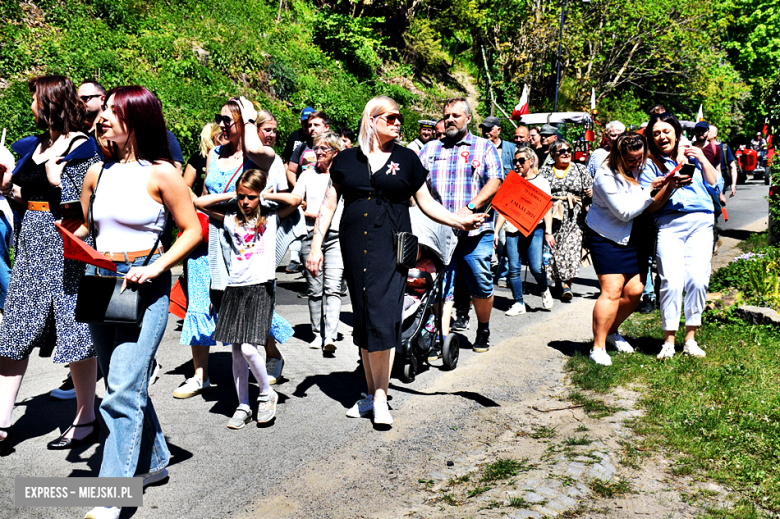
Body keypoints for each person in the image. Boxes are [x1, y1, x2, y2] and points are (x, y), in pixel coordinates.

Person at [306, 96, 484, 426]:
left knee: (385, 318)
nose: (398, 122)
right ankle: (370, 395)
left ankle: (380, 397)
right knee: (364, 318)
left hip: (393, 249)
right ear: (371, 120)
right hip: (354, 247)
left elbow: (426, 203)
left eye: (399, 118)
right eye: (390, 117)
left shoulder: (407, 159)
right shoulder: (346, 160)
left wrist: (458, 222)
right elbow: (329, 206)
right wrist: (316, 246)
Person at [77, 85, 201, 519]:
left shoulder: (162, 173)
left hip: (144, 286)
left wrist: (156, 266)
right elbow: (90, 229)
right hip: (99, 281)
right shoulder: (98, 173)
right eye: (104, 110)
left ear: (137, 119)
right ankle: (155, 460)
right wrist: (70, 241)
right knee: (118, 386)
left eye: (114, 111)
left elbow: (191, 230)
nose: (103, 117)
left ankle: (114, 493)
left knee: (124, 389)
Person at [0, 75, 101, 456]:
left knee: (74, 333)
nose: (30, 107)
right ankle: (2, 422)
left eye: (34, 100)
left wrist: (61, 185)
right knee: (14, 331)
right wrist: (9, 183)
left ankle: (86, 416)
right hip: (31, 244)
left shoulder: (81, 146)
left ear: (50, 102)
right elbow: (28, 193)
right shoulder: (36, 145)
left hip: (65, 245)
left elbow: (87, 206)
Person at [173, 97, 276, 399]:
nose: (221, 125)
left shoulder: (259, 156)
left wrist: (249, 120)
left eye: (228, 120)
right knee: (199, 301)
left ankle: (269, 351)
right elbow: (204, 191)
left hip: (241, 238)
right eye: (219, 118)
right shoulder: (214, 154)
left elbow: (255, 153)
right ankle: (200, 375)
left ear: (244, 123)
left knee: (242, 302)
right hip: (208, 234)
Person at [201, 168, 297, 430]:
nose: (245, 202)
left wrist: (266, 195)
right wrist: (232, 193)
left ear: (260, 196)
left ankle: (266, 392)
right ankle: (243, 404)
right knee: (236, 353)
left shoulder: (270, 218)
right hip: (234, 289)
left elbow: (296, 200)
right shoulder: (231, 219)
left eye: (250, 197)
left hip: (260, 288)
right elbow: (198, 202)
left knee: (247, 348)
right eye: (242, 197)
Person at [586, 133, 683, 366]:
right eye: (631, 159)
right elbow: (624, 212)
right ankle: (597, 347)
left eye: (640, 158)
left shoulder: (641, 166)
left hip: (634, 237)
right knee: (612, 289)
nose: (637, 163)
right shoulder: (605, 176)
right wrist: (649, 190)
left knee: (635, 291)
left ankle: (611, 331)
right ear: (618, 155)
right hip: (607, 235)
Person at [419, 97, 503, 353]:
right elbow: (417, 185)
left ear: (468, 119)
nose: (450, 120)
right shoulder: (431, 149)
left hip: (475, 231)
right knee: (438, 284)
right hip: (439, 232)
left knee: (480, 282)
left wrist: (469, 208)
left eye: (456, 115)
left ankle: (484, 328)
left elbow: (496, 181)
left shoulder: (483, 147)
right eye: (447, 116)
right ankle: (437, 334)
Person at [639, 112, 723, 360]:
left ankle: (690, 339)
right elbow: (652, 206)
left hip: (701, 221)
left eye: (666, 131)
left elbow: (715, 186)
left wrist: (703, 160)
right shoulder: (648, 165)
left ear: (676, 132)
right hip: (669, 224)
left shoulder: (692, 155)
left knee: (698, 280)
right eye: (656, 133)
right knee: (671, 282)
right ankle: (669, 341)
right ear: (651, 138)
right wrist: (670, 186)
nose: (662, 136)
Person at [293, 132, 344, 352]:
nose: (319, 152)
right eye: (317, 148)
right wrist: (306, 210)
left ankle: (330, 336)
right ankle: (316, 333)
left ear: (335, 152)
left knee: (333, 287)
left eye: (325, 148)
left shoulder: (342, 176)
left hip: (336, 237)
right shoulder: (307, 175)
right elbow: (295, 201)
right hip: (309, 236)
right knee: (315, 288)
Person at [494, 147, 554, 315]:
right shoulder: (512, 181)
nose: (518, 164)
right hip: (512, 229)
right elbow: (503, 209)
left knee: (536, 268)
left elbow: (547, 208)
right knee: (513, 267)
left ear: (531, 161)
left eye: (521, 161)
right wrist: (496, 231)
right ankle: (518, 303)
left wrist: (548, 232)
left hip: (534, 229)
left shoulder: (541, 182)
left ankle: (544, 289)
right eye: (515, 161)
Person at [540, 140, 593, 300]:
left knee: (571, 250)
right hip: (552, 217)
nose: (566, 153)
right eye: (561, 151)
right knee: (554, 250)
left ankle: (566, 285)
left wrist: (590, 194)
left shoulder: (580, 169)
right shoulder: (545, 172)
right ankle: (557, 283)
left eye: (568, 150)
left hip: (574, 217)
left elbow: (590, 190)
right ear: (553, 155)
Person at [286, 110, 330, 187]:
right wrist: (297, 187)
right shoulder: (301, 147)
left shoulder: (334, 148)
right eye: (310, 125)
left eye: (316, 125)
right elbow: (291, 170)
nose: (312, 128)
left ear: (326, 127)